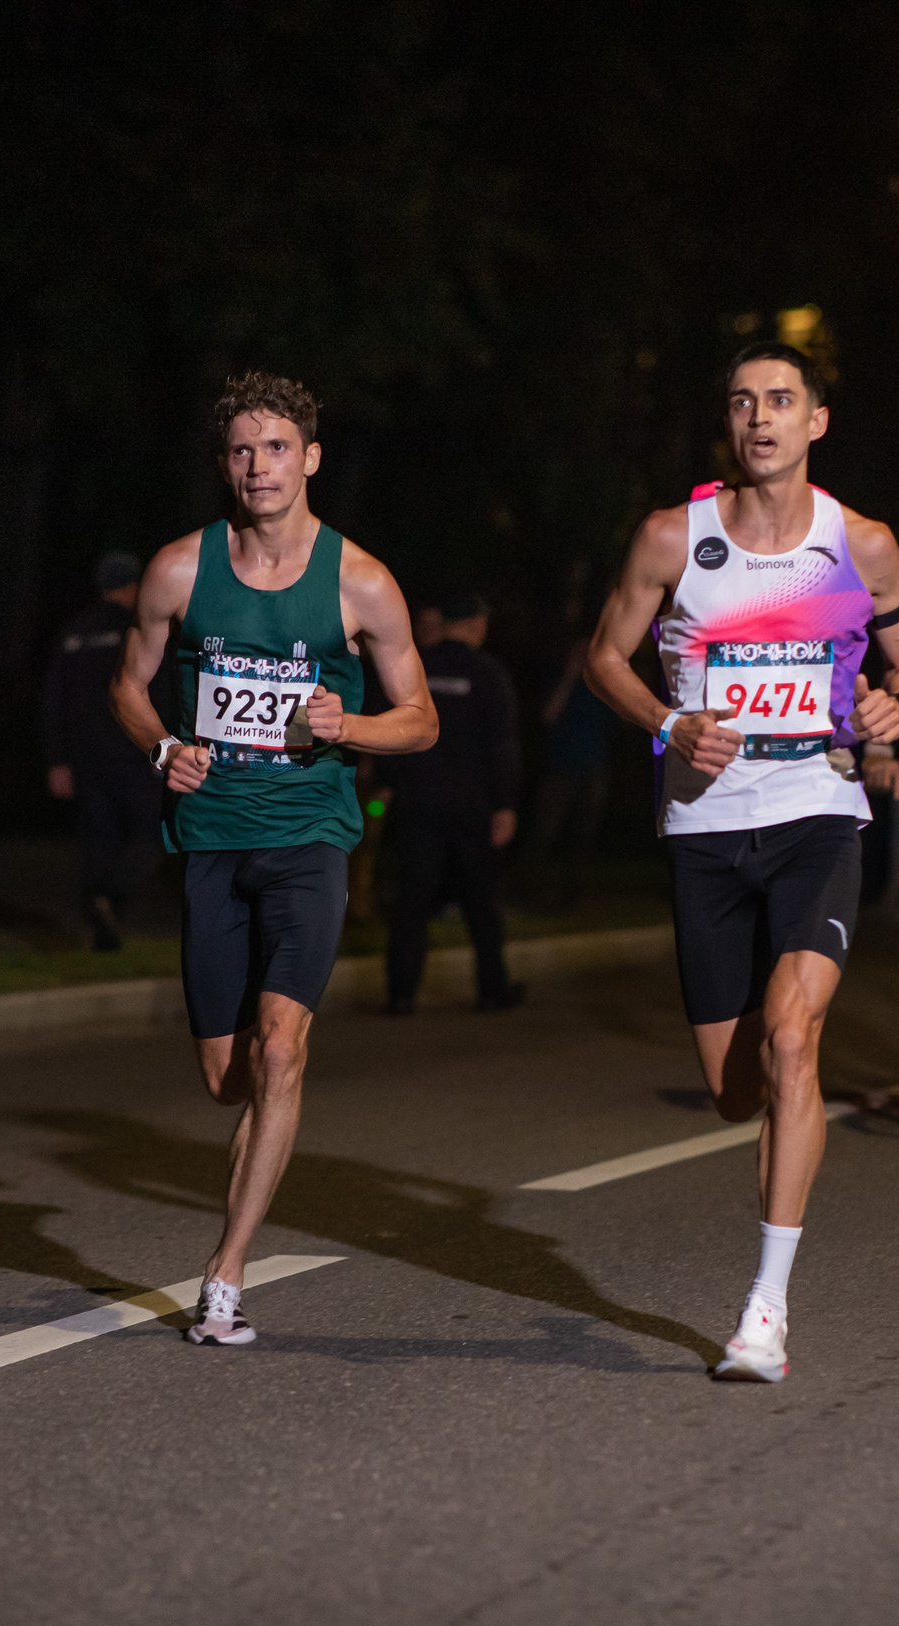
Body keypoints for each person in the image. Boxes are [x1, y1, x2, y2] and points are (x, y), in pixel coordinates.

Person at [584, 342, 899, 1383]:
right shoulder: (668, 538)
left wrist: (893, 706)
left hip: (817, 811)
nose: (761, 418)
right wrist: (666, 725)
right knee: (738, 1091)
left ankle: (764, 1311)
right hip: (704, 828)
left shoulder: (859, 544)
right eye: (742, 402)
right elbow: (603, 657)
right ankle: (771, 1150)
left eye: (781, 401)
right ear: (726, 425)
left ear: (816, 422)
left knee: (791, 1042)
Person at [111, 371, 437, 1344]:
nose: (260, 467)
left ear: (311, 459)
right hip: (211, 841)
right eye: (244, 450)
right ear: (226, 464)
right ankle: (256, 1149)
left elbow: (421, 722)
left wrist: (353, 725)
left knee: (283, 1049)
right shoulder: (178, 570)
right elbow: (129, 689)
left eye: (278, 448)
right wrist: (163, 746)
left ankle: (225, 1273)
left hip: (309, 838)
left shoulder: (360, 581)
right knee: (228, 1079)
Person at [377, 590, 525, 1014]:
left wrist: (388, 784)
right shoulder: (489, 673)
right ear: (477, 624)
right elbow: (503, 744)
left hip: (418, 802)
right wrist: (505, 805)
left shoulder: (419, 667)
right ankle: (492, 989)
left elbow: (393, 727)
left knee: (412, 899)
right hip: (471, 807)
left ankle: (401, 994)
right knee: (480, 901)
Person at [42, 550, 164, 951]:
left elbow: (53, 698)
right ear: (133, 586)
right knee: (152, 834)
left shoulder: (75, 632)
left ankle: (100, 919)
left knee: (100, 838)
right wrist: (165, 749)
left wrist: (57, 758)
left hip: (85, 755)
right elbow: (159, 692)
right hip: (134, 752)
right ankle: (108, 900)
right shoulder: (140, 628)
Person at [525, 642, 616, 909]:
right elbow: (547, 716)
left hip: (593, 771)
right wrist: (568, 677)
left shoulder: (602, 687)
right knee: (543, 831)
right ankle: (528, 890)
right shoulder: (561, 683)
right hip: (560, 770)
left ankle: (573, 897)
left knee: (583, 836)